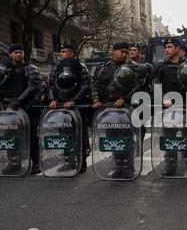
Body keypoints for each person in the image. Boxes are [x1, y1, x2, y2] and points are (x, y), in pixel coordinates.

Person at [152, 37, 187, 176]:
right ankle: (171, 164)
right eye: (165, 48)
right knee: (169, 137)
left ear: (178, 49)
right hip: (168, 108)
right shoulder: (161, 66)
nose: (166, 50)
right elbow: (155, 84)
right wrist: (163, 98)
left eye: (169, 47)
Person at [0, 44, 41, 174]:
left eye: (20, 52)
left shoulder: (29, 68)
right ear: (10, 54)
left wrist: (19, 100)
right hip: (9, 109)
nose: (19, 54)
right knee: (10, 136)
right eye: (16, 52)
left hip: (26, 107)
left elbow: (33, 86)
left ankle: (36, 163)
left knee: (31, 136)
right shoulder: (5, 70)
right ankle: (14, 163)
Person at [92, 42, 140, 178]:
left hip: (124, 109)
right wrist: (96, 99)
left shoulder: (131, 67)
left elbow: (136, 86)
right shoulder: (102, 67)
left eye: (127, 52)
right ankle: (118, 166)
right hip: (107, 110)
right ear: (114, 51)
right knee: (112, 138)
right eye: (122, 52)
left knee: (126, 138)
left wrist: (124, 98)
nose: (124, 54)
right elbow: (94, 84)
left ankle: (128, 167)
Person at [47, 43, 91, 174]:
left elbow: (85, 85)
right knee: (64, 136)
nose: (61, 54)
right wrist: (53, 99)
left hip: (77, 107)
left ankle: (82, 163)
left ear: (72, 53)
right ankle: (69, 162)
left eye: (64, 51)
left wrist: (73, 100)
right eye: (60, 52)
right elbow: (51, 84)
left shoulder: (80, 67)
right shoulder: (57, 67)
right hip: (61, 107)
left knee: (80, 135)